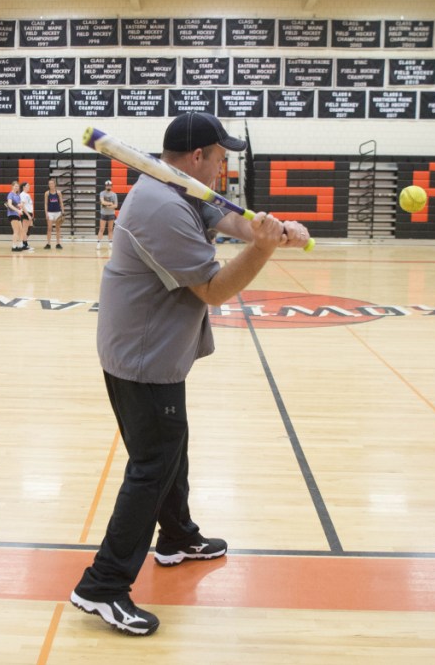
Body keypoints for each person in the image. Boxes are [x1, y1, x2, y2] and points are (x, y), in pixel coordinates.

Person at [70, 112, 312, 636]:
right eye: (221, 157)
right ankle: (103, 585)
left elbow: (229, 218)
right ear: (199, 156)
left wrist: (274, 230)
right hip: (142, 359)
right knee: (153, 464)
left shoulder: (181, 188)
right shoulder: (160, 206)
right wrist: (263, 248)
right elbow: (214, 290)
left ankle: (177, 539)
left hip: (152, 350)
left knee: (169, 448)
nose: (224, 168)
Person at [44, 178, 65, 250]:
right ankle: (48, 243)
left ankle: (58, 243)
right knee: (49, 228)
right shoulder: (47, 193)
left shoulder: (58, 193)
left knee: (58, 229)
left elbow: (61, 203)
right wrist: (46, 213)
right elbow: (46, 204)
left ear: (55, 184)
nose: (51, 185)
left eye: (52, 183)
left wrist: (63, 211)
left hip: (58, 212)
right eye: (49, 184)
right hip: (50, 212)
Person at [97, 180, 117, 250]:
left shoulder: (114, 194)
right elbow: (102, 202)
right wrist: (110, 203)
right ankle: (98, 243)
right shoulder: (102, 193)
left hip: (111, 214)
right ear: (105, 186)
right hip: (103, 213)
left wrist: (108, 205)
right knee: (101, 229)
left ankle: (110, 243)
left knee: (110, 229)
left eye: (110, 185)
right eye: (107, 185)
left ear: (111, 186)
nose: (108, 186)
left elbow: (115, 205)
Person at [5, 180, 22, 252]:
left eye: (17, 186)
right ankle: (14, 246)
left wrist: (20, 206)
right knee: (16, 230)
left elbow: (19, 204)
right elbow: (9, 204)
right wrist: (17, 210)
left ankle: (20, 245)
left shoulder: (18, 195)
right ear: (12, 186)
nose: (16, 187)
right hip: (12, 214)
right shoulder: (10, 194)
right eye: (15, 186)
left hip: (17, 214)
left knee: (20, 230)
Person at [19, 182, 35, 252]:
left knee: (30, 228)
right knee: (24, 230)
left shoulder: (27, 195)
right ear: (23, 187)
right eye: (27, 186)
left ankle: (23, 242)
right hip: (26, 213)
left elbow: (29, 205)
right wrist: (28, 215)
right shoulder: (22, 194)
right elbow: (22, 205)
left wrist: (31, 214)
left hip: (29, 213)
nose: (29, 187)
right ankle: (24, 245)